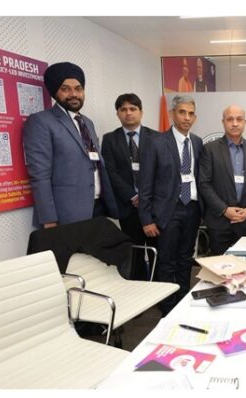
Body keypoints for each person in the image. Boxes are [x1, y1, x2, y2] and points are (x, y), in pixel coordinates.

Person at [23, 62, 118, 228]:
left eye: (78, 89)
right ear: (55, 92)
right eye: (65, 89)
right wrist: (48, 219)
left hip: (98, 207)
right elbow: (40, 175)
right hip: (66, 214)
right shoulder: (41, 121)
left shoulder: (87, 122)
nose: (74, 94)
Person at [138, 95, 203, 315]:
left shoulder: (197, 142)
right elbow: (145, 183)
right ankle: (167, 309)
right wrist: (146, 219)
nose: (187, 117)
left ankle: (183, 302)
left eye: (191, 113)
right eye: (182, 112)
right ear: (172, 114)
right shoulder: (156, 142)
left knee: (186, 260)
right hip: (168, 211)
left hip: (192, 208)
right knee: (167, 261)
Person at [101, 93, 159, 280]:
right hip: (128, 207)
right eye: (123, 109)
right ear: (117, 113)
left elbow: (163, 172)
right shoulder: (110, 139)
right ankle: (138, 288)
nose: (128, 113)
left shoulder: (157, 137)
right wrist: (133, 196)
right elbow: (110, 172)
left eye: (133, 109)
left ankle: (158, 287)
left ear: (141, 112)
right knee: (133, 253)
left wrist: (146, 197)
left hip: (153, 206)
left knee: (158, 251)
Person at [199, 105, 246, 254]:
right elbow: (204, 183)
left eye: (239, 119)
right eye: (230, 119)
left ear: (245, 122)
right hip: (219, 222)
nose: (235, 124)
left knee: (245, 264)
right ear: (223, 122)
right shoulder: (209, 149)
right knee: (219, 265)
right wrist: (224, 209)